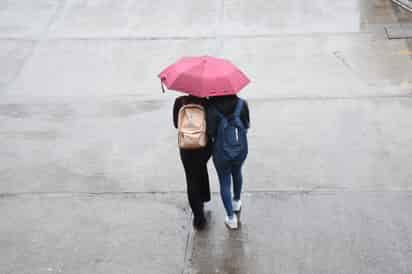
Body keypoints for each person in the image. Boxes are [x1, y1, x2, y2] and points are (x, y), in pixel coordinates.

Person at [207, 95, 250, 230]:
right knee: (237, 172)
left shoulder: (211, 107)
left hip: (221, 152)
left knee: (224, 181)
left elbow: (210, 132)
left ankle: (231, 218)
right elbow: (246, 126)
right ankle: (236, 201)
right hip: (240, 148)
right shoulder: (241, 104)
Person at [173, 95, 212, 230]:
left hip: (186, 147)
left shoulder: (179, 101)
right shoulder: (205, 102)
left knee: (191, 179)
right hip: (203, 147)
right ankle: (203, 197)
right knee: (201, 169)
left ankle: (198, 217)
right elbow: (211, 125)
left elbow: (175, 123)